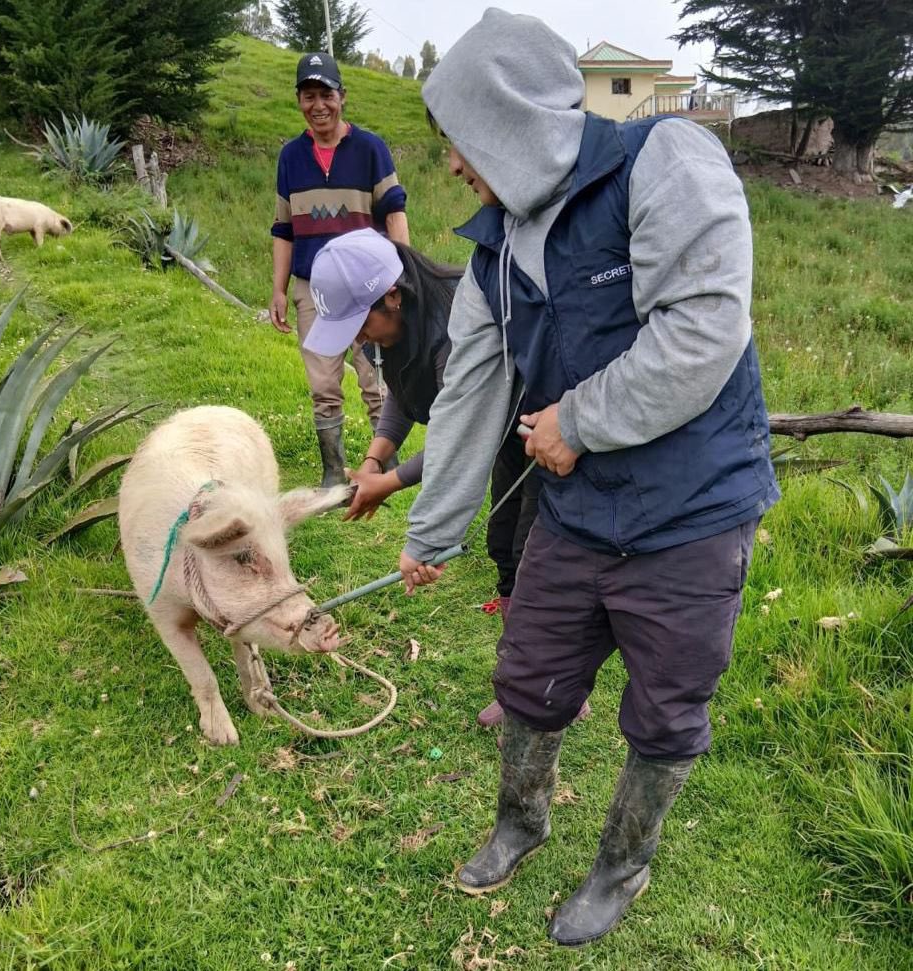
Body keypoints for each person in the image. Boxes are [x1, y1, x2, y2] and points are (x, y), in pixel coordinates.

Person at [396, 8, 779, 947]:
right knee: (529, 675)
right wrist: (432, 531)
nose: (452, 165)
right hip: (577, 512)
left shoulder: (666, 162)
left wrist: (580, 418)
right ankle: (521, 823)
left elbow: (703, 331)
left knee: (665, 708)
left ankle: (622, 865)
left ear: (506, 120)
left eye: (458, 142)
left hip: (692, 513)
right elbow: (470, 392)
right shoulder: (495, 249)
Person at [304, 229, 587, 729]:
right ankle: (527, 676)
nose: (357, 337)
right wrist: (376, 459)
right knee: (503, 551)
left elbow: (464, 434)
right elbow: (401, 389)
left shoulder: (455, 324)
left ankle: (545, 692)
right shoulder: (393, 329)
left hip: (545, 434)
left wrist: (392, 488)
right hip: (504, 442)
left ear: (393, 293)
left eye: (359, 321)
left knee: (534, 561)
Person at [269, 51, 410, 487]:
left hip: (368, 286)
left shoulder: (371, 149)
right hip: (313, 287)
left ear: (342, 97)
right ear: (299, 101)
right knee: (323, 381)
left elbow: (394, 212)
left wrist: (403, 273)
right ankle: (333, 471)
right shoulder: (290, 157)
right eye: (309, 96)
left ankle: (385, 467)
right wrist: (278, 289)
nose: (319, 105)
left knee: (375, 376)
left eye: (326, 94)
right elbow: (283, 228)